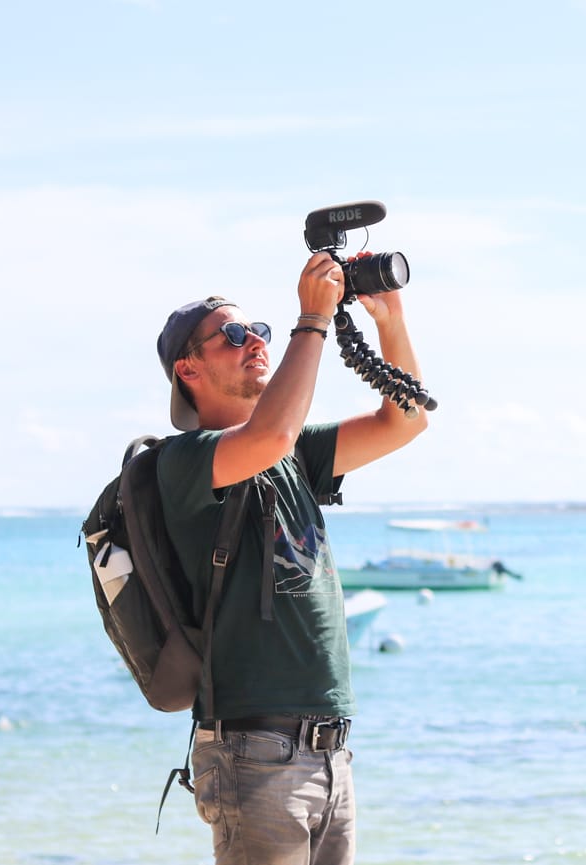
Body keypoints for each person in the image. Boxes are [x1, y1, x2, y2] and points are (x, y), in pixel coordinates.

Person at [153, 251, 429, 865]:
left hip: (328, 750)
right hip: (252, 750)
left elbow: (405, 422)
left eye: (259, 330)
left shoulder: (293, 454)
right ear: (187, 368)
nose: (253, 340)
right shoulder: (186, 460)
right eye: (230, 335)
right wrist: (312, 321)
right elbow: (268, 436)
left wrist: (389, 319)